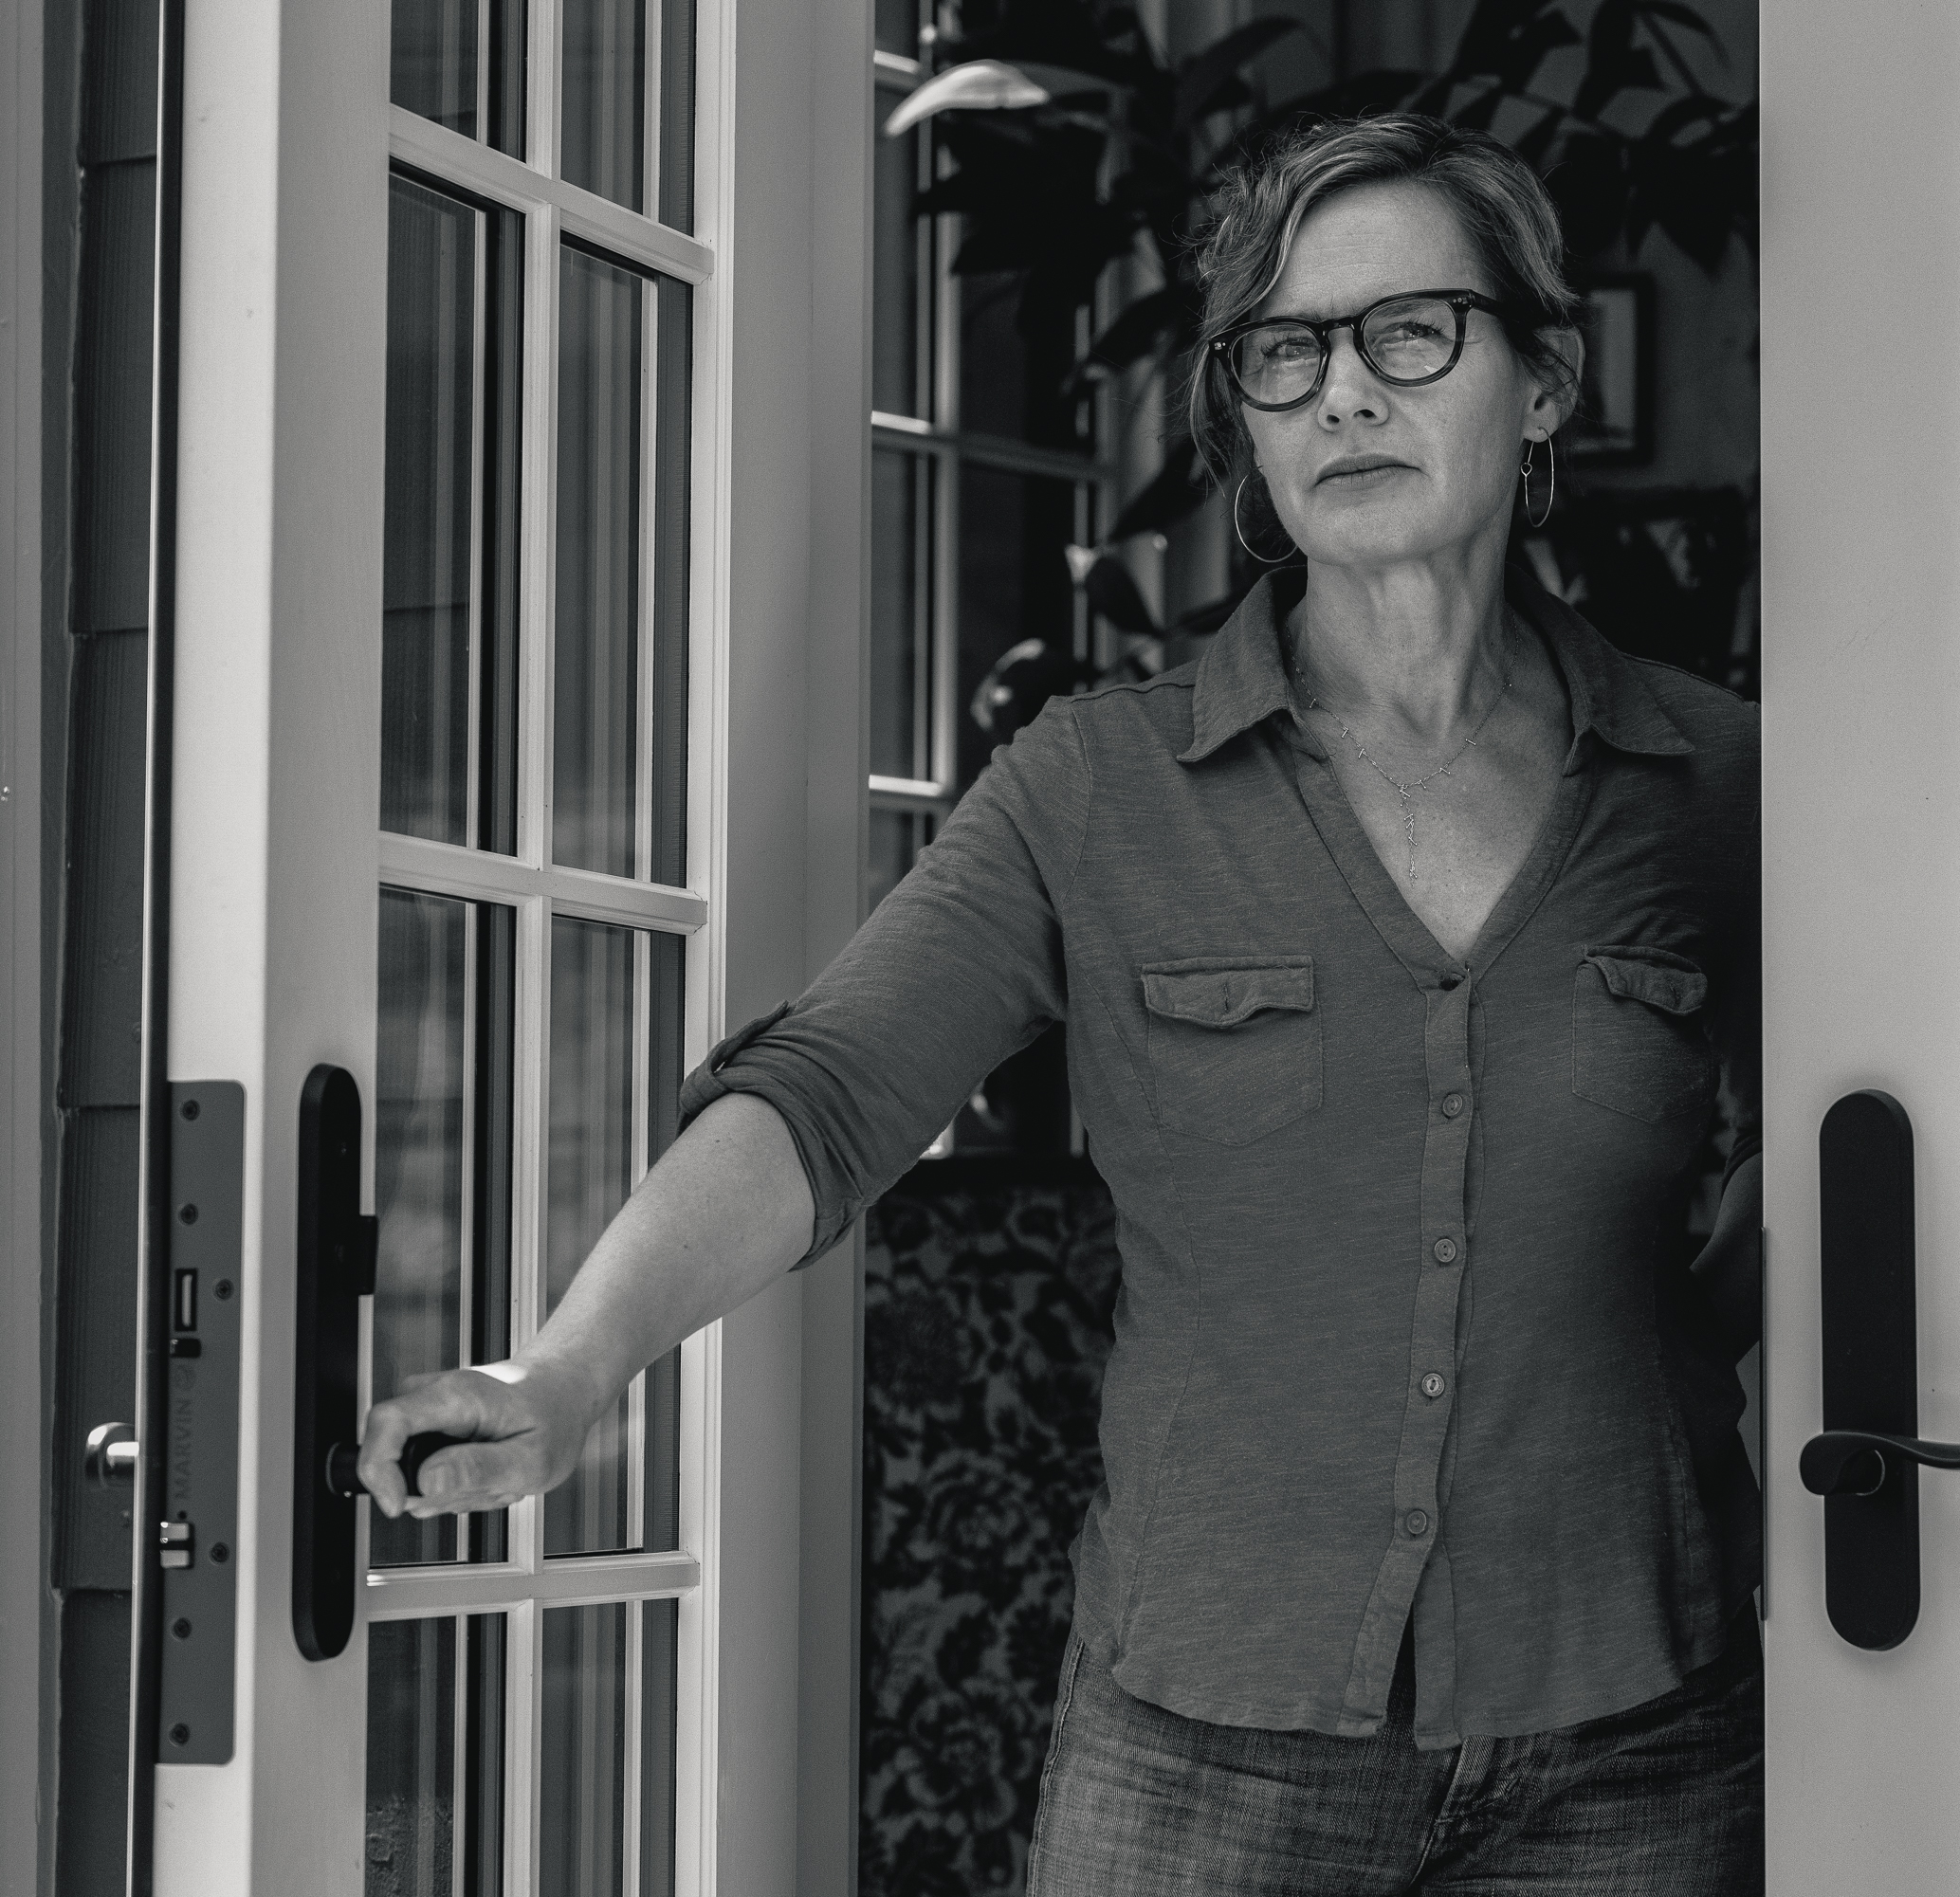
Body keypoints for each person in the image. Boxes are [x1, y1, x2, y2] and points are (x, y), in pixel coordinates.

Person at [362, 112, 1763, 1895]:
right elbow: (829, 1093)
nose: (1345, 394)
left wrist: (1665, 1369)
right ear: (1244, 424)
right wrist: (564, 1367)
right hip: (1206, 1752)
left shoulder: (1713, 782)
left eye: (1411, 331)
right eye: (1285, 352)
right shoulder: (1102, 789)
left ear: (1543, 377)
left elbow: (1883, 1123)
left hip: (1635, 1750)